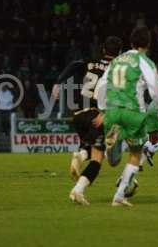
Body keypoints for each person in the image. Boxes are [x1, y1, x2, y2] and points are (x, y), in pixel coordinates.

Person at [99, 26, 158, 207]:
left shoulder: (116, 60)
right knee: (136, 153)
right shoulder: (144, 61)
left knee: (113, 161)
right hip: (133, 111)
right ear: (148, 44)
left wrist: (102, 108)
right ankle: (119, 195)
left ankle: (116, 136)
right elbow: (155, 90)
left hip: (112, 110)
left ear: (130, 42)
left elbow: (102, 85)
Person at [52, 37, 122, 206]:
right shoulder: (117, 69)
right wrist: (105, 113)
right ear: (119, 52)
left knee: (93, 148)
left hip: (76, 114)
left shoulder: (91, 61)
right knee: (98, 158)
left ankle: (81, 157)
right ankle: (78, 188)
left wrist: (59, 82)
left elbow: (74, 65)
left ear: (103, 49)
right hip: (95, 115)